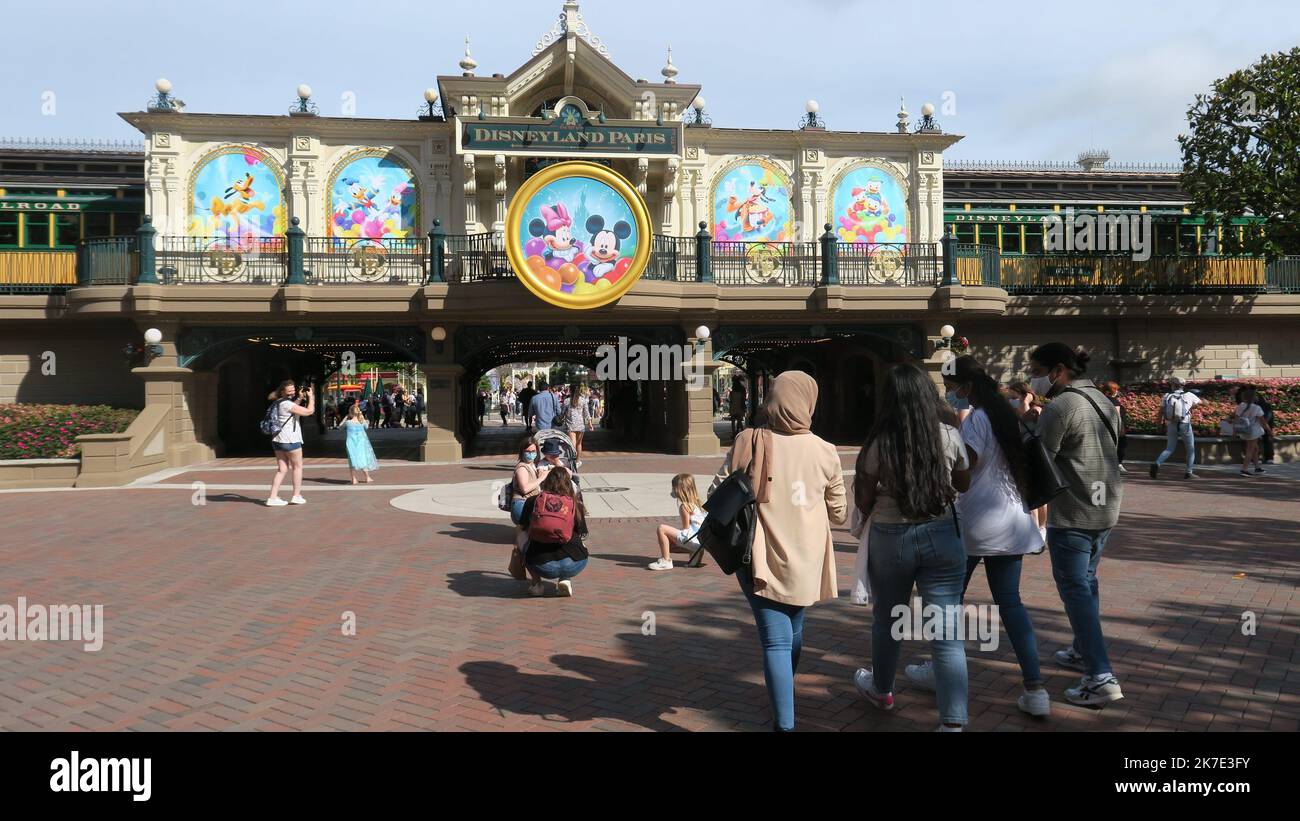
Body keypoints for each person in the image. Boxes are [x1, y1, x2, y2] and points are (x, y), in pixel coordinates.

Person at [904, 356, 1050, 716]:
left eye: (953, 389)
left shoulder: (977, 421)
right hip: (1012, 523)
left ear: (966, 386)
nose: (952, 395)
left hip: (974, 524)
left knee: (945, 601)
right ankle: (1036, 688)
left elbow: (962, 469)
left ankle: (940, 670)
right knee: (1011, 603)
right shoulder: (1005, 417)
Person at [708, 371, 847, 732]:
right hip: (808, 557)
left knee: (776, 639)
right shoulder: (826, 451)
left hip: (759, 556)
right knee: (793, 629)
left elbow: (717, 492)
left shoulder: (748, 440)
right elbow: (839, 513)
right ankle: (783, 688)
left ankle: (784, 722)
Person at [851, 364, 971, 731]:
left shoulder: (878, 442)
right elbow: (963, 482)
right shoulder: (949, 435)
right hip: (943, 534)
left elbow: (864, 496)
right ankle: (953, 722)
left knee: (888, 619)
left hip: (892, 536)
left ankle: (883, 689)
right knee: (946, 629)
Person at [1029, 342, 1124, 708]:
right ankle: (1083, 650)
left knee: (1075, 590)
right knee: (1087, 582)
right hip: (1105, 508)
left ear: (1056, 371)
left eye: (1036, 370)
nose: (1033, 379)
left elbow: (1041, 459)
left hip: (1074, 512)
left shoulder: (1062, 406)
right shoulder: (1102, 399)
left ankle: (1100, 675)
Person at [519, 467, 589, 597]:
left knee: (521, 536)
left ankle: (537, 584)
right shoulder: (575, 504)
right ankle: (565, 579)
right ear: (568, 483)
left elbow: (522, 526)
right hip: (574, 563)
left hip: (541, 565)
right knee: (580, 543)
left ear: (547, 481)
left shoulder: (533, 501)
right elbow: (582, 532)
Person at [265, 379, 315, 507]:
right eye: (290, 390)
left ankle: (273, 497)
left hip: (277, 439)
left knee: (282, 469)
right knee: (297, 467)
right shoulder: (287, 404)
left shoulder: (277, 402)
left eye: (293, 389)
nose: (292, 392)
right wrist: (311, 397)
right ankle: (296, 495)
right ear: (283, 391)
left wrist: (299, 398)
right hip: (290, 440)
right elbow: (309, 412)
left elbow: (292, 410)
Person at [648, 473, 707, 570]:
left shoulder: (684, 506)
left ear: (680, 490)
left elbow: (686, 529)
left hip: (692, 539)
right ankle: (695, 552)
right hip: (701, 541)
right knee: (667, 544)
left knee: (662, 529)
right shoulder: (697, 504)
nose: (672, 490)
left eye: (673, 487)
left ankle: (665, 561)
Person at [1150, 376, 1200, 480]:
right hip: (1185, 424)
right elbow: (1203, 403)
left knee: (1169, 448)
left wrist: (1158, 425)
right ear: (1183, 385)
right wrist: (1192, 405)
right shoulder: (1189, 395)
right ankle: (1188, 472)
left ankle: (1157, 463)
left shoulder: (1167, 396)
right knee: (1190, 449)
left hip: (1172, 424)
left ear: (1173, 385)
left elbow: (1160, 412)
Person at [1234, 386, 1271, 477]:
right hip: (1253, 431)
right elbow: (1263, 422)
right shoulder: (1256, 408)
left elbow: (1236, 419)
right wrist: (1269, 431)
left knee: (1255, 448)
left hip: (1244, 430)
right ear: (1254, 397)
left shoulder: (1240, 406)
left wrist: (1234, 431)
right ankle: (1244, 469)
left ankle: (1257, 467)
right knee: (1250, 450)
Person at [342, 404, 378, 484]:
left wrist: (345, 417)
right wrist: (362, 417)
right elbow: (367, 427)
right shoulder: (361, 422)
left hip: (350, 443)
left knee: (352, 460)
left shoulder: (348, 423)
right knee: (363, 459)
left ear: (350, 413)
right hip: (361, 443)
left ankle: (354, 479)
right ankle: (367, 477)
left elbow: (340, 426)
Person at [1098, 381, 1129, 474]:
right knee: (1121, 445)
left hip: (1102, 428)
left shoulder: (1100, 399)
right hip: (1114, 429)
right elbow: (1118, 416)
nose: (1117, 392)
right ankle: (1118, 465)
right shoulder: (1114, 402)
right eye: (1115, 390)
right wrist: (1121, 429)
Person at [563, 384, 594, 467]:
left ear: (570, 390)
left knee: (572, 443)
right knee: (579, 444)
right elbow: (586, 413)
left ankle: (571, 459)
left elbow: (562, 412)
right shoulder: (583, 400)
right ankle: (578, 461)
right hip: (580, 425)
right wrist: (590, 424)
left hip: (570, 424)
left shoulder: (567, 401)